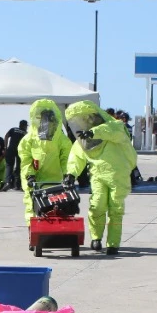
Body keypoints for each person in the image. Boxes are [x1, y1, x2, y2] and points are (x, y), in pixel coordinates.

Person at [64, 101, 137, 255]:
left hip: (118, 174)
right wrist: (71, 173)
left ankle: (113, 243)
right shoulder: (84, 136)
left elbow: (113, 132)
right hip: (98, 174)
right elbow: (77, 155)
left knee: (116, 208)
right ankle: (96, 237)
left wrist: (94, 132)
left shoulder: (115, 126)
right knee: (97, 205)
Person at [17, 100, 72, 221]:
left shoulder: (61, 139)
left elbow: (66, 159)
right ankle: (32, 231)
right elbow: (26, 160)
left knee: (56, 208)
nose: (47, 124)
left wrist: (68, 175)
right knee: (31, 205)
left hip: (55, 180)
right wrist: (29, 175)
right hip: (33, 179)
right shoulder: (28, 140)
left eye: (50, 121)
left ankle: (53, 233)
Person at [2, 120, 27, 190]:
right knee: (19, 167)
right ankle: (17, 185)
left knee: (9, 166)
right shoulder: (25, 133)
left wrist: (5, 147)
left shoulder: (13, 129)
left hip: (11, 149)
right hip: (20, 151)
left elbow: (6, 136)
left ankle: (7, 182)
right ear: (25, 126)